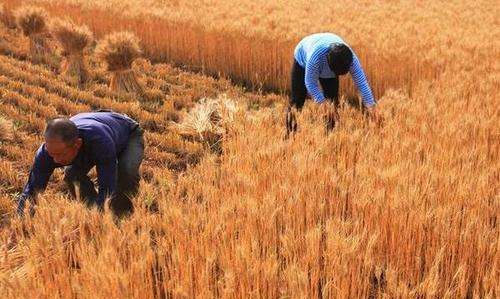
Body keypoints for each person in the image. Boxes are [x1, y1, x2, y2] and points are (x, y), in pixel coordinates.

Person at [16, 111, 144, 217]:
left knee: (126, 171)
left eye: (60, 154)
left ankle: (123, 215)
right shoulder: (45, 154)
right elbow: (32, 189)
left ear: (77, 144)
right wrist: (21, 219)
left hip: (127, 133)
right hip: (95, 130)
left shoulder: (100, 142)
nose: (55, 160)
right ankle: (93, 210)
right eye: (51, 154)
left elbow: (107, 185)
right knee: (72, 175)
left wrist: (105, 209)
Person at [287, 32, 378, 134]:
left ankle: (331, 136)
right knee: (297, 100)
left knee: (333, 102)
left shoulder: (350, 58)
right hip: (302, 60)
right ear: (331, 65)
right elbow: (310, 83)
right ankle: (290, 134)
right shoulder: (315, 58)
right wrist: (322, 103)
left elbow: (362, 83)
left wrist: (371, 107)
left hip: (328, 63)